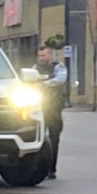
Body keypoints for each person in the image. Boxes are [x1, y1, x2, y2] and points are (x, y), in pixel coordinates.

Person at [34, 45, 67, 179]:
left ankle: (51, 169)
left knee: (54, 139)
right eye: (40, 56)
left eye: (44, 55)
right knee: (37, 138)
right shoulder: (34, 69)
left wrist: (42, 84)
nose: (41, 58)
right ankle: (37, 168)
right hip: (37, 108)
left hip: (53, 108)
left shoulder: (58, 67)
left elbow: (60, 80)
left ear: (50, 55)